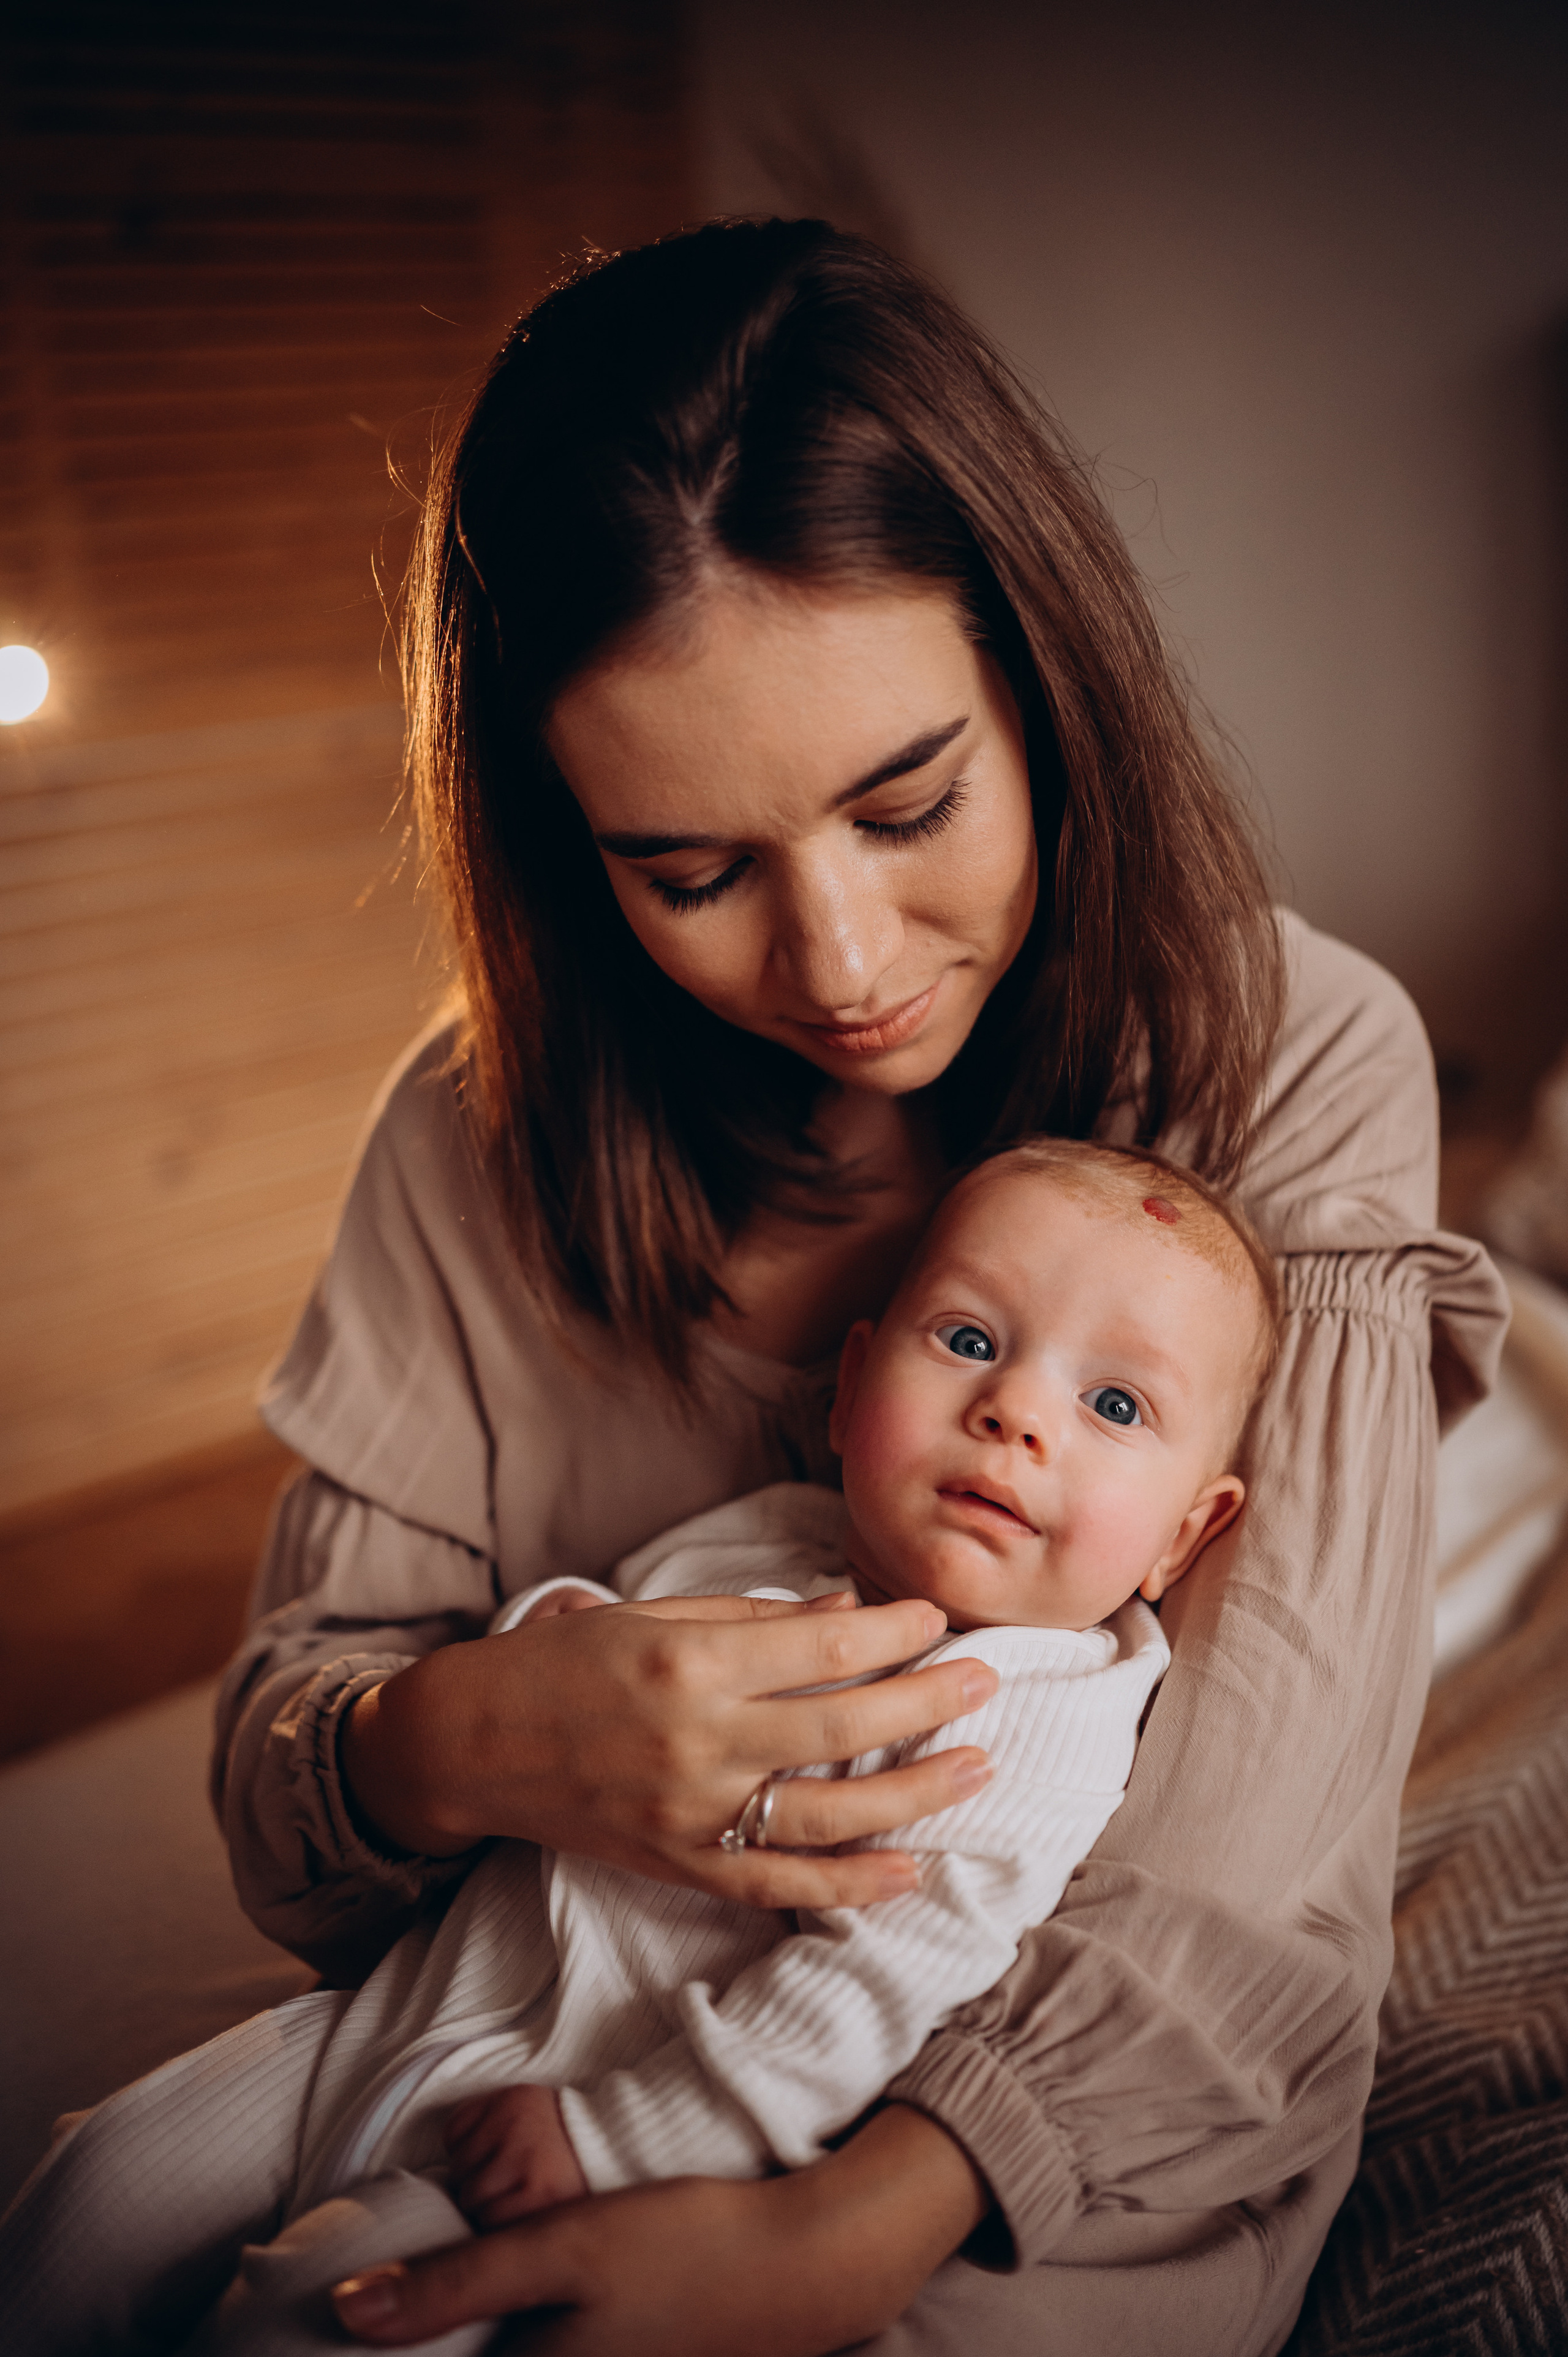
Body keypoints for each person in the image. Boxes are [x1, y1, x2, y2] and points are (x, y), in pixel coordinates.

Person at [127, 217, 1509, 2354]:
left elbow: (1249, 1875)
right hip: (520, 2046)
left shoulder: (1303, 1054)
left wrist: (834, 2232)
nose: (844, 964)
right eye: (693, 872)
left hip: (1047, 2164)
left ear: (1044, 676)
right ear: (564, 850)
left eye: (910, 800)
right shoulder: (471, 1138)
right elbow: (294, 1807)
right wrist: (499, 1726)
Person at [0, 1141, 1278, 2354]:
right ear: (846, 1392)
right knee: (94, 2190)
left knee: (323, 2317)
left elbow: (879, 1986)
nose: (1012, 1411)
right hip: (380, 2023)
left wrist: (623, 2136)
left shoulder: (1044, 1711)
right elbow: (574, 1681)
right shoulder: (762, 1534)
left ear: (1181, 1535)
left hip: (559, 2131)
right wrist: (539, 1635)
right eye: (965, 1339)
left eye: (1113, 1402)